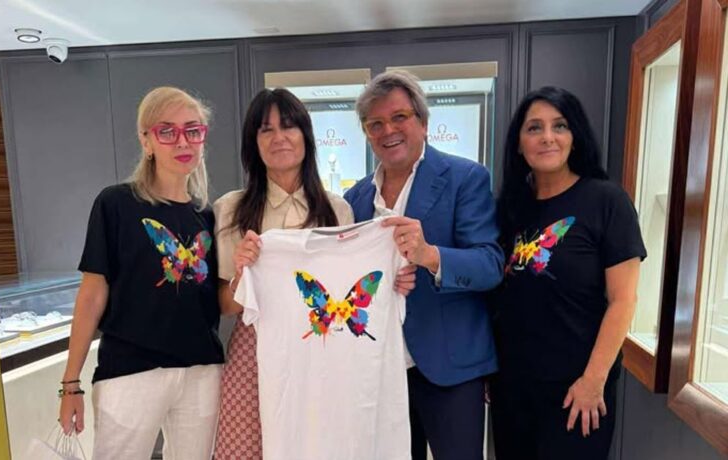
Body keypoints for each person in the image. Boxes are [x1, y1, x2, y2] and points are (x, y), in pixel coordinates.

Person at [344, 69, 504, 460]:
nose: (388, 130)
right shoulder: (355, 199)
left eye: (399, 117)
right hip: (379, 372)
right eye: (375, 124)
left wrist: (430, 255)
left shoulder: (466, 178)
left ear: (423, 122)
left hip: (449, 367)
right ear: (366, 133)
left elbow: (490, 265)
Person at [58, 86, 225, 459]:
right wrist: (71, 383)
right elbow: (91, 296)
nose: (182, 141)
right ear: (146, 141)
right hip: (130, 371)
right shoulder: (116, 204)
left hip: (201, 370)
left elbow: (214, 299)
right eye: (167, 131)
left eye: (192, 130)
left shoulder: (207, 215)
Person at [491, 86, 646, 459]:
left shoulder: (606, 201)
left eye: (559, 126)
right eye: (534, 128)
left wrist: (593, 381)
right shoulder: (508, 208)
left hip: (576, 390)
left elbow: (623, 301)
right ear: (519, 144)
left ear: (575, 137)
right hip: (511, 388)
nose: (547, 137)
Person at [212, 88, 354, 459]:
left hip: (320, 348)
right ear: (253, 143)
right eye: (266, 129)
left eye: (289, 126)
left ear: (306, 135)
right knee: (244, 447)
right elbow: (225, 305)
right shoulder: (232, 209)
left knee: (317, 446)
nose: (279, 137)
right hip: (255, 349)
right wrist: (242, 274)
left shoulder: (338, 210)